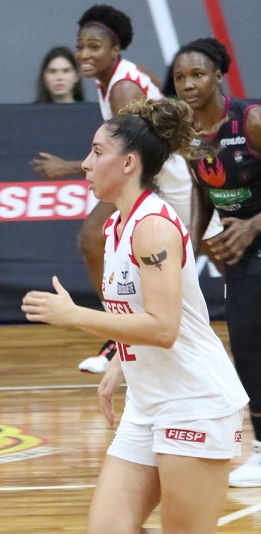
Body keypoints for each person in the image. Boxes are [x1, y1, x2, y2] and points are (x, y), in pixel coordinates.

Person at [22, 96, 261, 534]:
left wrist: (78, 320)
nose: (86, 161)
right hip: (150, 399)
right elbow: (161, 315)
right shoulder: (120, 224)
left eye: (96, 152)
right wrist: (122, 365)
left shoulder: (153, 225)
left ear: (127, 163)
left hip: (192, 398)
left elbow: (163, 325)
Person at [31, 4, 218, 374]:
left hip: (167, 177)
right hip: (154, 175)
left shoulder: (123, 87)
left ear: (114, 51)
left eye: (94, 47)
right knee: (97, 240)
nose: (84, 54)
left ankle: (121, 333)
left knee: (221, 252)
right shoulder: (120, 79)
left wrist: (69, 167)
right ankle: (123, 334)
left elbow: (127, 153)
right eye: (80, 46)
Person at [172, 37, 261, 488]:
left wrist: (253, 224)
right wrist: (189, 239)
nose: (188, 84)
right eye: (180, 78)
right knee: (245, 346)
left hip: (256, 237)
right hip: (238, 250)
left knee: (250, 341)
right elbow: (201, 188)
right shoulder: (188, 134)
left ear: (219, 76)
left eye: (197, 75)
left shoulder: (252, 121)